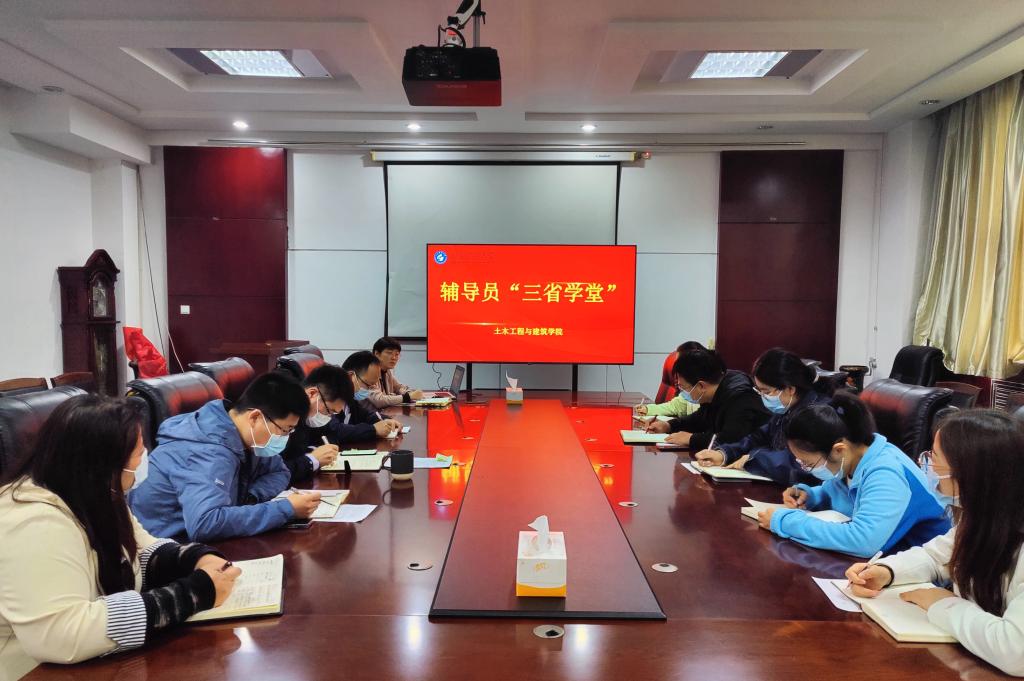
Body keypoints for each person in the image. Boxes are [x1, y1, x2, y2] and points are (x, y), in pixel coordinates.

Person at [0, 395, 241, 679]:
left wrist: (197, 559)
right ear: (103, 462)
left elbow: (141, 552)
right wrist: (192, 594)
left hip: (100, 662)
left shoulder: (95, 491)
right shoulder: (32, 521)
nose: (144, 459)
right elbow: (62, 634)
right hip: (32, 671)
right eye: (138, 453)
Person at [845, 410, 1024, 677]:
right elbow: (935, 557)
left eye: (934, 457)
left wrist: (941, 603)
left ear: (969, 471)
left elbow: (1015, 652)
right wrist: (886, 571)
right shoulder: (983, 518)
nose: (926, 464)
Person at [129, 372, 322, 542]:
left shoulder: (245, 437)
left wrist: (250, 498)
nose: (284, 438)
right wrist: (286, 509)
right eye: (284, 430)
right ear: (255, 417)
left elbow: (280, 471)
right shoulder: (206, 450)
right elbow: (205, 523)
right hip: (166, 547)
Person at [757, 391, 950, 557]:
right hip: (881, 563)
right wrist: (812, 496)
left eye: (808, 463)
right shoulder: (853, 458)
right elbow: (841, 494)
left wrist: (785, 521)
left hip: (920, 569)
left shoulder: (886, 472)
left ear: (838, 449)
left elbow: (863, 541)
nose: (806, 468)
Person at [693, 348, 827, 485]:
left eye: (766, 392)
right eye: (759, 391)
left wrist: (754, 458)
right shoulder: (785, 410)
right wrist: (724, 454)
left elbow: (800, 462)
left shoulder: (817, 416)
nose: (763, 397)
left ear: (790, 389)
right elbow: (758, 437)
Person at [281, 364, 403, 484]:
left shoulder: (311, 414)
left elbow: (331, 434)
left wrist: (317, 452)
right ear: (312, 394)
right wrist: (312, 460)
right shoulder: (283, 417)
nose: (329, 417)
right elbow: (276, 470)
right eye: (329, 411)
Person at [645, 348, 769, 450]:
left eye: (683, 388)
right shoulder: (715, 389)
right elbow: (700, 418)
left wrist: (691, 439)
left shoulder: (740, 398)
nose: (682, 393)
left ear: (701, 386)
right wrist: (669, 425)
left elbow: (732, 439)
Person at [634, 341, 705, 420]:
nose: (678, 382)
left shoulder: (709, 397)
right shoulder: (687, 394)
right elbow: (672, 407)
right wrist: (648, 409)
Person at [366, 337, 424, 408]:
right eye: (389, 353)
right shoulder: (368, 372)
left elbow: (399, 388)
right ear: (377, 354)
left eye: (397, 354)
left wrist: (410, 393)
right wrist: (408, 396)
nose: (394, 358)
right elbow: (378, 400)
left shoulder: (387, 371)